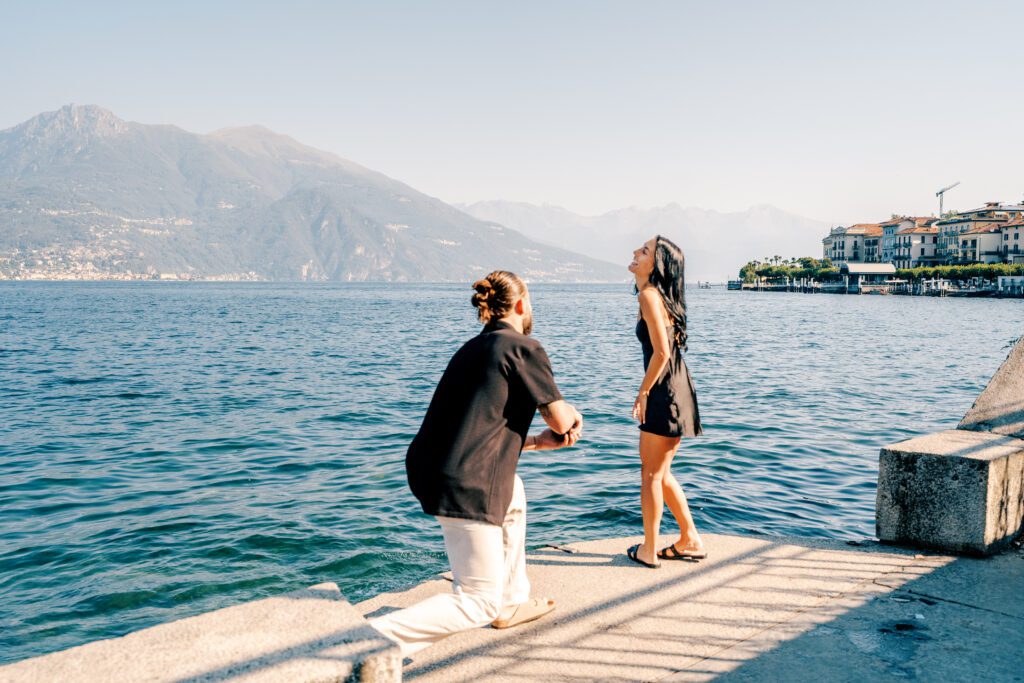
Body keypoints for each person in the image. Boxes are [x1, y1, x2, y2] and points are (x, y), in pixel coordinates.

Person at [369, 270, 583, 657]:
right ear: (520, 305)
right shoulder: (522, 347)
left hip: (432, 468)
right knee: (474, 600)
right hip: (465, 484)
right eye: (530, 302)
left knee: (513, 494)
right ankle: (361, 641)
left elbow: (479, 433)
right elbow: (561, 419)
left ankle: (511, 600)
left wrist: (535, 443)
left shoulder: (472, 349)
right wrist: (570, 418)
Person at [625, 236, 705, 568]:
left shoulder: (648, 296)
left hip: (664, 391)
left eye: (643, 251)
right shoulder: (658, 297)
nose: (634, 252)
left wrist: (643, 392)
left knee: (651, 475)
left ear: (656, 265)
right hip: (677, 389)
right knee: (660, 471)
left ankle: (649, 549)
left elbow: (661, 352)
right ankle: (689, 539)